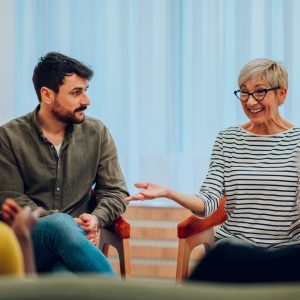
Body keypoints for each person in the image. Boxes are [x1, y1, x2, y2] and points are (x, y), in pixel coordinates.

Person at [125, 58, 300, 282]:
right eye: (244, 92)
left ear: (281, 94)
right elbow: (207, 203)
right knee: (221, 260)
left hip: (286, 250)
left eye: (260, 92)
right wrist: (169, 193)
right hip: (235, 248)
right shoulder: (228, 139)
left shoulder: (297, 141)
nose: (250, 101)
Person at [0, 52, 129, 275]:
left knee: (64, 277)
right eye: (76, 92)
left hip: (73, 246)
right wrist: (67, 224)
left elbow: (116, 191)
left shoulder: (97, 133)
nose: (86, 101)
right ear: (47, 95)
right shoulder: (9, 137)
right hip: (29, 241)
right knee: (61, 225)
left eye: (85, 91)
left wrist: (96, 218)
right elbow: (11, 198)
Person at [1, 198, 43, 276]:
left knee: (63, 271)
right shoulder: (4, 238)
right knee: (60, 222)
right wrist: (23, 240)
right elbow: (24, 287)